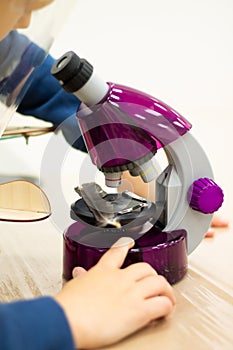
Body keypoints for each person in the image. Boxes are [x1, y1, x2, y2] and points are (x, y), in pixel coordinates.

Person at [0, 1, 176, 350]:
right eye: (20, 3)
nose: (25, 20)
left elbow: (54, 93)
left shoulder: (4, 46)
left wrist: (134, 163)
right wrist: (65, 318)